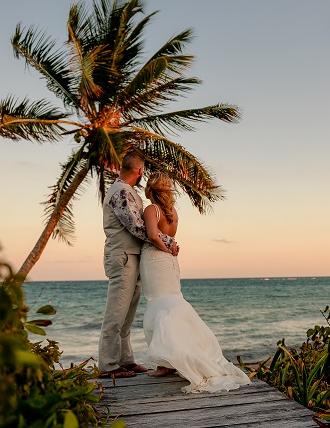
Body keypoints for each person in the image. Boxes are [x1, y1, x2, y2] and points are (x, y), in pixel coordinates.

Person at [140, 171, 251, 393]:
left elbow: (153, 236)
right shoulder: (173, 213)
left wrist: (164, 247)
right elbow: (170, 238)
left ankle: (164, 365)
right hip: (171, 263)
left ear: (150, 189)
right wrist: (171, 249)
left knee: (159, 304)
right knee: (172, 302)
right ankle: (170, 362)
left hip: (155, 260)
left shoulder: (151, 210)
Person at [98, 152, 179, 378]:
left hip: (132, 256)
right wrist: (168, 242)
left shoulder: (128, 192)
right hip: (123, 255)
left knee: (127, 313)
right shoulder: (121, 192)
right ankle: (108, 365)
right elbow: (137, 227)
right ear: (140, 170)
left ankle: (125, 360)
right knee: (116, 312)